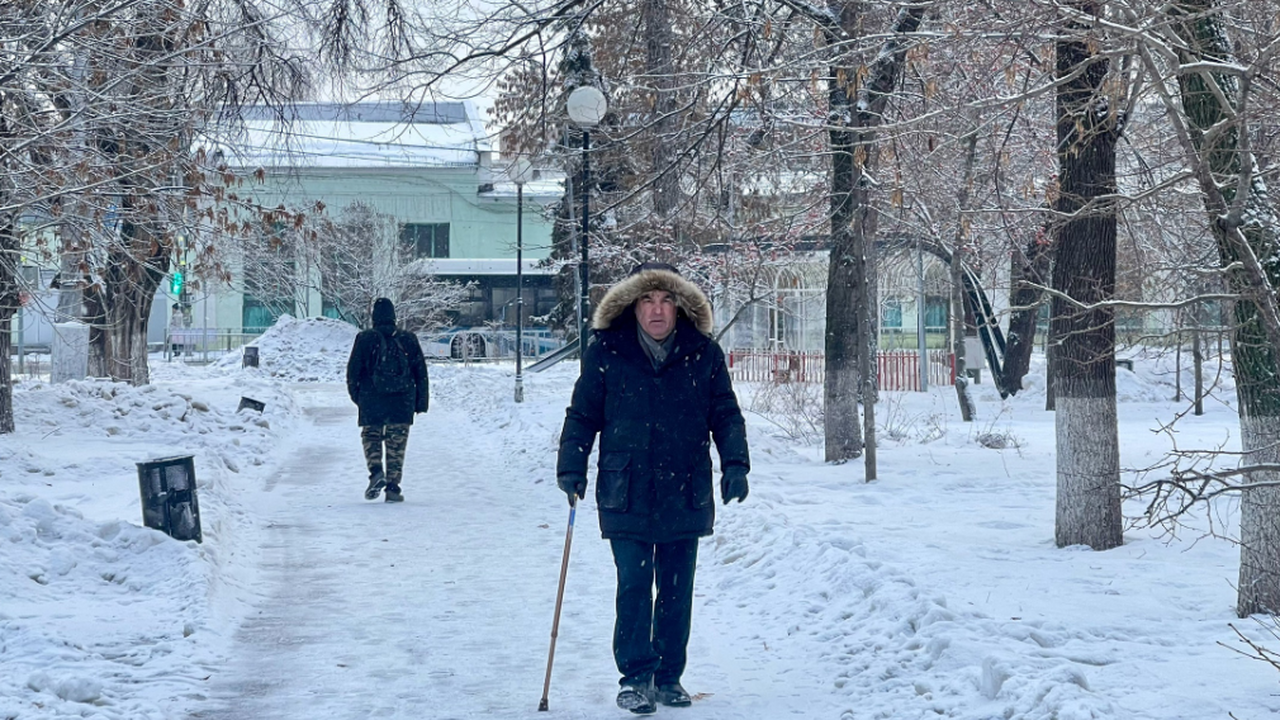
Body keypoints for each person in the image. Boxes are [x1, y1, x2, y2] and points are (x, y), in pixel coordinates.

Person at [556, 261, 750, 714]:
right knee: (635, 583)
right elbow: (583, 412)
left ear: (680, 307)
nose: (657, 310)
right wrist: (572, 464)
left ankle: (667, 678)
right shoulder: (607, 351)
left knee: (677, 588)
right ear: (633, 305)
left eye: (666, 301)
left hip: (685, 487)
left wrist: (735, 465)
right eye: (648, 300)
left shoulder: (702, 352)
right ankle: (635, 676)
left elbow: (725, 412)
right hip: (627, 488)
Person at [346, 297, 429, 503]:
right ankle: (393, 487)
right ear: (394, 316)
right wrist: (420, 402)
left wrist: (358, 398)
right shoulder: (408, 339)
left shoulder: (364, 339)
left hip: (371, 399)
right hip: (402, 401)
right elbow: (421, 372)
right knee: (396, 444)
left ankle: (376, 472)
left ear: (374, 317)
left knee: (371, 437)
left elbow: (353, 372)